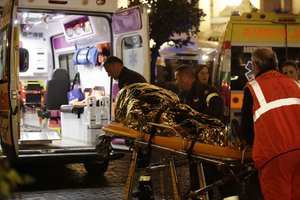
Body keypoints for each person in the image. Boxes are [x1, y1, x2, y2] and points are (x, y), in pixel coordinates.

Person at [241, 48, 300, 199]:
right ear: (276, 64)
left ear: (255, 65)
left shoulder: (253, 88)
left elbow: (247, 128)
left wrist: (251, 146)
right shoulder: (295, 84)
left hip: (274, 156)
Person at [174, 65, 229, 199]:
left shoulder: (207, 93)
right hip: (197, 147)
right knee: (203, 178)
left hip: (209, 145)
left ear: (185, 78)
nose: (176, 82)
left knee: (204, 179)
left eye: (177, 79)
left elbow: (214, 116)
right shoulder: (186, 95)